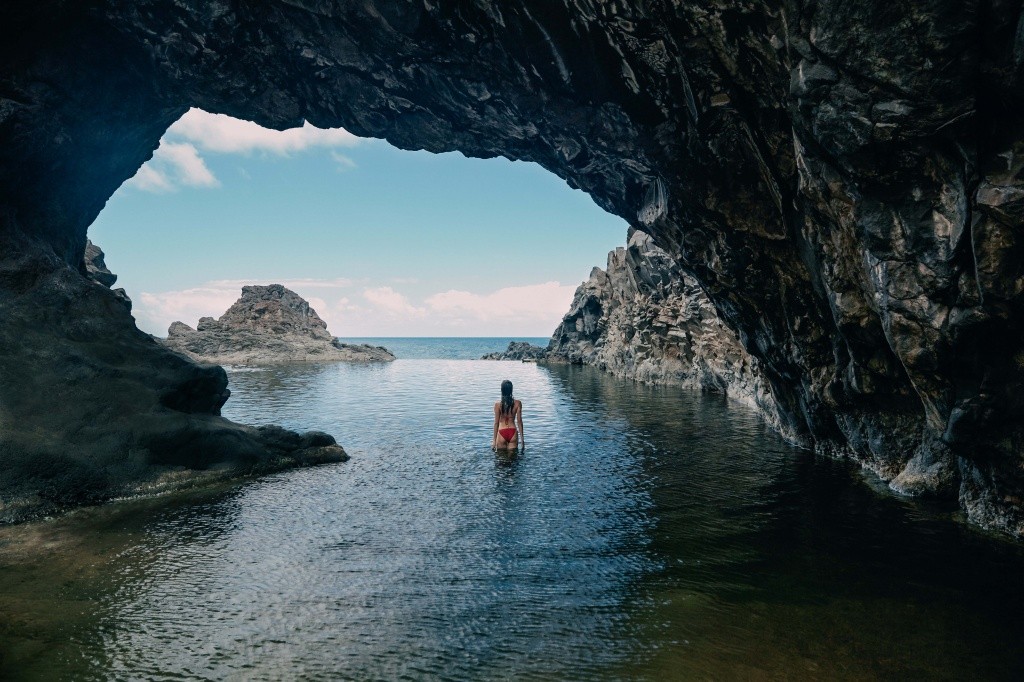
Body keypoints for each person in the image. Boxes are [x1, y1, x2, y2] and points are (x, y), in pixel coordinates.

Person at [492, 379, 523, 451]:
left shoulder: (497, 405)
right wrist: (522, 440)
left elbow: (496, 423)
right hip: (513, 432)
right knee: (513, 460)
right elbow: (519, 422)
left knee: (501, 460)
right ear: (511, 390)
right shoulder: (518, 403)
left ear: (502, 390)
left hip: (502, 431)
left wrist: (494, 440)